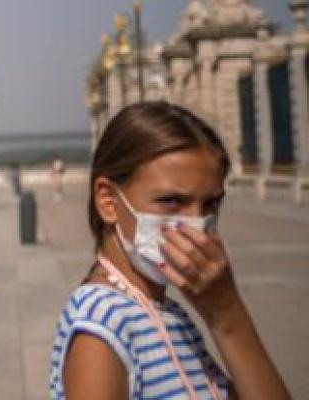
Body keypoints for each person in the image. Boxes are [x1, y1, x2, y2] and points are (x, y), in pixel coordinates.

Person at [49, 102, 290, 399]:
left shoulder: (168, 313)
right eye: (171, 201)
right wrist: (225, 314)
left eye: (211, 204)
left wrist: (227, 313)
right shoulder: (102, 325)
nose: (196, 225)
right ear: (108, 201)